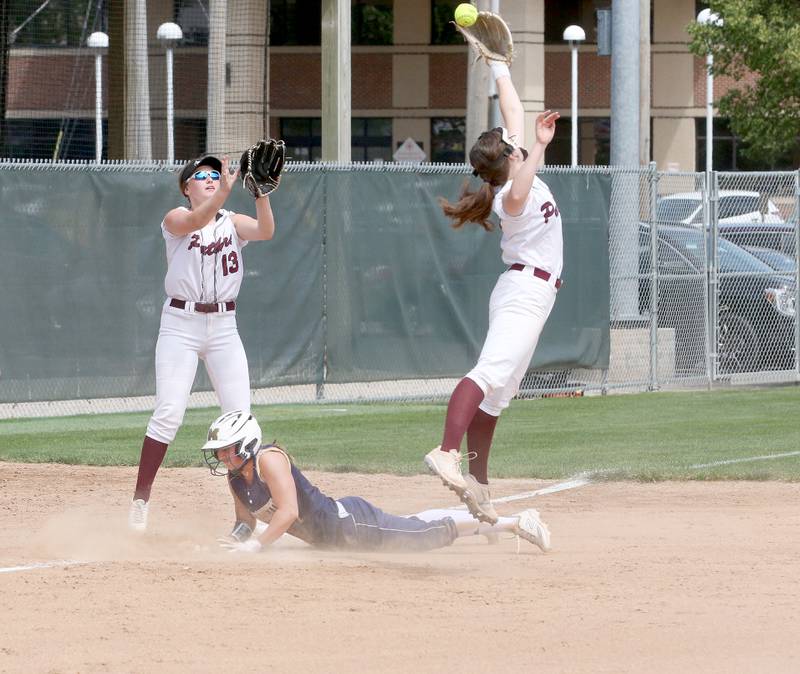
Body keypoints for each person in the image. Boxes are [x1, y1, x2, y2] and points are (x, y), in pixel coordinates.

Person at [424, 58, 562, 525]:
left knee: (499, 394)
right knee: (489, 372)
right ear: (505, 161)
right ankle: (445, 452)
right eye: (510, 146)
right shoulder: (508, 195)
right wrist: (538, 149)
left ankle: (479, 486)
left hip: (533, 294)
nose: (515, 142)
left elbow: (513, 107)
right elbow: (521, 191)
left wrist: (498, 64)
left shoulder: (512, 166)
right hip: (524, 289)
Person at [128, 154, 277, 532]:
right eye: (202, 175)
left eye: (215, 174)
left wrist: (261, 195)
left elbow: (266, 230)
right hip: (180, 324)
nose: (211, 178)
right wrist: (225, 191)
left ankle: (248, 515)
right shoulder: (175, 219)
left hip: (224, 326)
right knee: (169, 412)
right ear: (186, 187)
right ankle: (140, 501)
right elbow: (196, 220)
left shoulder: (232, 222)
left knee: (240, 421)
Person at [202, 410, 550, 553]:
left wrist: (257, 547)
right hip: (337, 538)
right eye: (219, 453)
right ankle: (484, 524)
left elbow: (288, 511)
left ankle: (516, 522)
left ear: (247, 443)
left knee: (426, 535)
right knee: (415, 526)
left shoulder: (269, 460)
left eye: (228, 450)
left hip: (352, 526)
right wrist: (229, 544)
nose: (224, 458)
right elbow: (245, 521)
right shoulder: (237, 480)